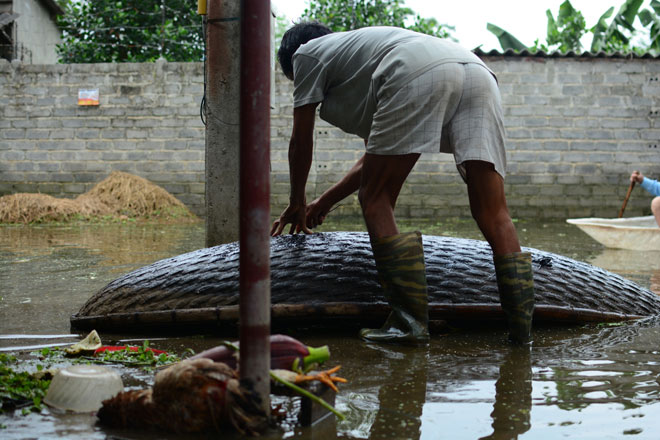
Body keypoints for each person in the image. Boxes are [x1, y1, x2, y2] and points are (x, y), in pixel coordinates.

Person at [271, 22, 535, 345]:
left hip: (417, 70)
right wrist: (324, 202)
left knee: (375, 200)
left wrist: (296, 202)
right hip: (478, 74)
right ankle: (522, 334)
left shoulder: (306, 54)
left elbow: (300, 141)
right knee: (494, 212)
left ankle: (409, 325)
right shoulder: (363, 58)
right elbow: (372, 159)